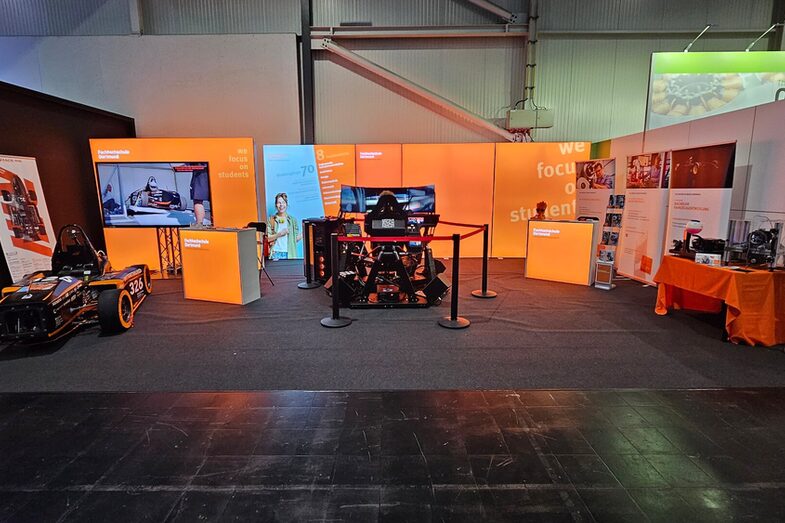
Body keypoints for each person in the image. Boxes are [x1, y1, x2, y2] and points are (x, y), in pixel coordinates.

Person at [267, 192, 301, 259]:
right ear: (276, 205)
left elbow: (295, 239)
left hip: (290, 254)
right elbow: (268, 238)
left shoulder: (293, 220)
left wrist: (304, 234)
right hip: (275, 253)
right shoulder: (271, 220)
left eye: (283, 202)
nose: (281, 205)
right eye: (279, 203)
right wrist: (279, 234)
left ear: (286, 204)